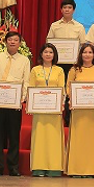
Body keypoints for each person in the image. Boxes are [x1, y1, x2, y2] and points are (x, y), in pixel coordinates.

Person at [0, 31, 30, 176]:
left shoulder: (25, 60)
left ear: (20, 43)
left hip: (14, 104)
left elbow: (26, 81)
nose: (12, 42)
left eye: (15, 40)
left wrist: (21, 99)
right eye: (10, 40)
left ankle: (13, 167)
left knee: (14, 136)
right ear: (5, 42)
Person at [65, 45, 94, 177]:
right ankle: (76, 169)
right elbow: (68, 87)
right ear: (80, 54)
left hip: (93, 111)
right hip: (78, 110)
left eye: (90, 52)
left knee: (91, 141)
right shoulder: (74, 69)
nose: (87, 55)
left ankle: (92, 169)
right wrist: (72, 99)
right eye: (85, 52)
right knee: (78, 139)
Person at [29, 43, 65, 177]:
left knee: (53, 138)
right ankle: (38, 167)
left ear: (54, 55)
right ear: (41, 54)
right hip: (39, 111)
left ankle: (54, 167)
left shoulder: (59, 71)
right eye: (46, 52)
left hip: (54, 111)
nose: (48, 54)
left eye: (51, 52)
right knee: (40, 138)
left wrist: (60, 103)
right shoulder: (35, 70)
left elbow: (62, 89)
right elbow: (30, 88)